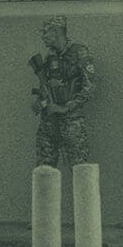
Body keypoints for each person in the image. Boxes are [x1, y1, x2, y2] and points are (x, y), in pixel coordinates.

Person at [31, 15, 96, 169]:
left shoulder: (79, 52)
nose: (43, 37)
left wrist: (66, 107)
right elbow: (46, 85)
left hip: (71, 122)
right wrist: (40, 101)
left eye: (45, 33)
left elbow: (90, 87)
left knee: (80, 170)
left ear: (56, 32)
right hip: (49, 122)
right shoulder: (50, 56)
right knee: (44, 170)